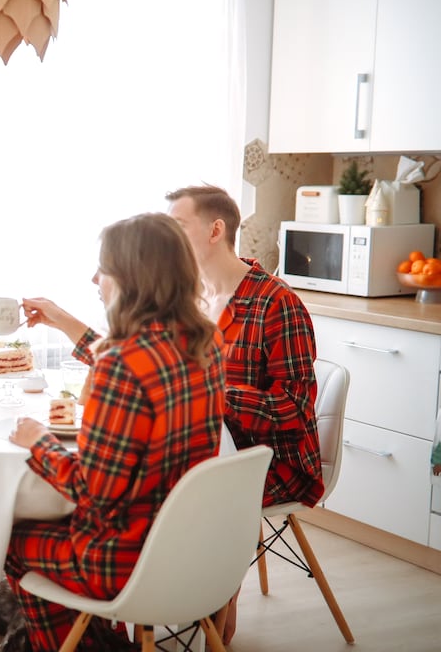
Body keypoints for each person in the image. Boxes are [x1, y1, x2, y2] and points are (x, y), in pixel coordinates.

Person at [9, 213, 226, 652]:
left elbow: (94, 492)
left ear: (132, 278)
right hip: (194, 548)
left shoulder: (122, 366)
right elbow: (133, 361)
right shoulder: (205, 343)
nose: (95, 279)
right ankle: (98, 641)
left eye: (103, 269)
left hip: (124, 562)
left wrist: (40, 443)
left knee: (11, 540)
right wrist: (61, 319)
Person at [166, 184, 322, 643]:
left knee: (181, 493)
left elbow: (294, 410)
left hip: (272, 461)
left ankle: (203, 603)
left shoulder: (277, 304)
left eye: (178, 226)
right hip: (207, 449)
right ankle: (146, 605)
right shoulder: (188, 299)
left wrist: (214, 393)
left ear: (216, 230)